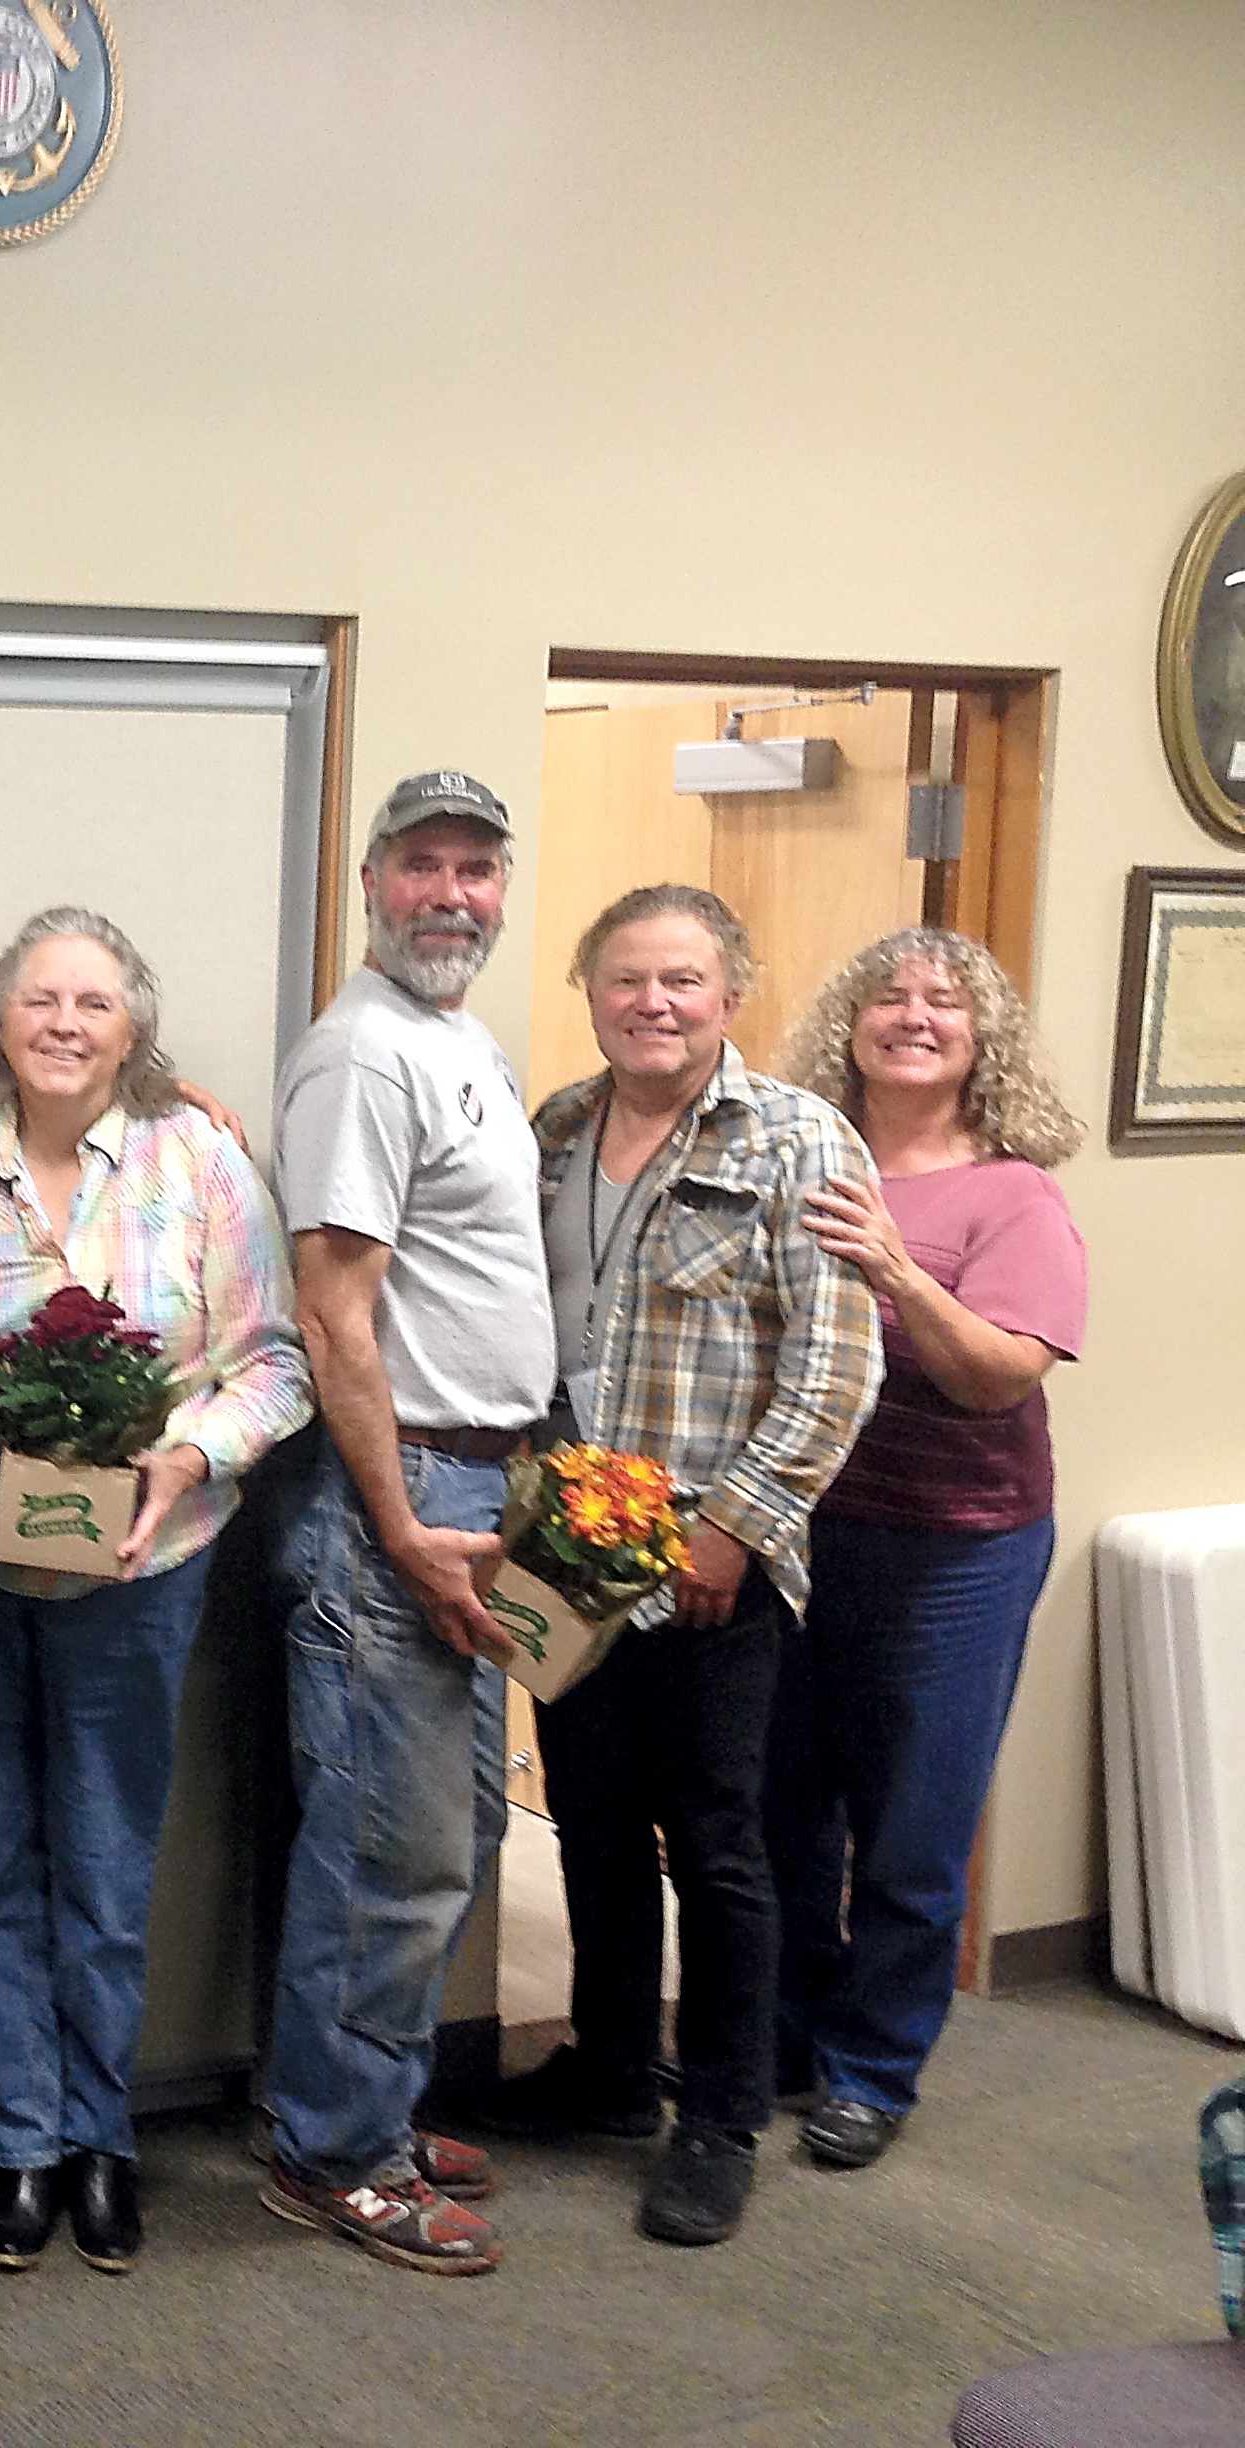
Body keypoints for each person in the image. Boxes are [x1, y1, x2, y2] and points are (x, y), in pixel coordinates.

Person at [0, 907, 312, 2274]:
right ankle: (19, 2137)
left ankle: (100, 2134)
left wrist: (186, 1452)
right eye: (39, 1002)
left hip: (146, 1565)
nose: (64, 1024)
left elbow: (274, 1363)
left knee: (108, 1858)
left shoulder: (200, 1163)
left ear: (132, 1025)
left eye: (91, 1002)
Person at [479, 884, 883, 2248]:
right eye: (627, 979)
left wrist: (739, 1526)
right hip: (570, 1557)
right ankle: (609, 2069)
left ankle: (717, 2116)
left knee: (717, 1843)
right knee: (587, 1819)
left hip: (713, 1562)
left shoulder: (799, 1142)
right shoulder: (553, 1133)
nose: (654, 1003)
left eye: (684, 981)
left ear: (733, 993)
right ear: (591, 991)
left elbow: (835, 1370)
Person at [258, 771, 553, 2276]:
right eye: (425, 866)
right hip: (405, 1497)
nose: (453, 893)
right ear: (371, 881)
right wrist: (398, 1522)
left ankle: (356, 2095)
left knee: (452, 1827)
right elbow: (334, 1316)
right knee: (393, 1845)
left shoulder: (459, 1039)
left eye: (478, 869)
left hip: (475, 1485)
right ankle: (335, 2151)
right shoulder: (367, 1053)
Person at [768, 926, 1086, 2169]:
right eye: (889, 996)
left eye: (944, 1002)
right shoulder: (805, 1158)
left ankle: (872, 2068)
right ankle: (787, 2032)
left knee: (910, 1824)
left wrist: (898, 1269)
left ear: (979, 1039)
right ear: (848, 1023)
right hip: (798, 1532)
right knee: (781, 1807)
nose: (913, 1015)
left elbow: (1000, 1377)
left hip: (956, 1553)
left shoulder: (1015, 1194)